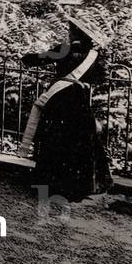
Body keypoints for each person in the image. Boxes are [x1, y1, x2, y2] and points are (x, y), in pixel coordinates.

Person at [19, 15, 113, 201]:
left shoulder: (64, 50)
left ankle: (50, 184)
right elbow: (101, 77)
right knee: (78, 141)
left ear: (76, 33)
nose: (68, 33)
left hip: (60, 100)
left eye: (71, 30)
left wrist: (24, 57)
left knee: (55, 140)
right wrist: (84, 82)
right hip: (80, 102)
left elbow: (37, 59)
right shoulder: (95, 56)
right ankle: (78, 187)